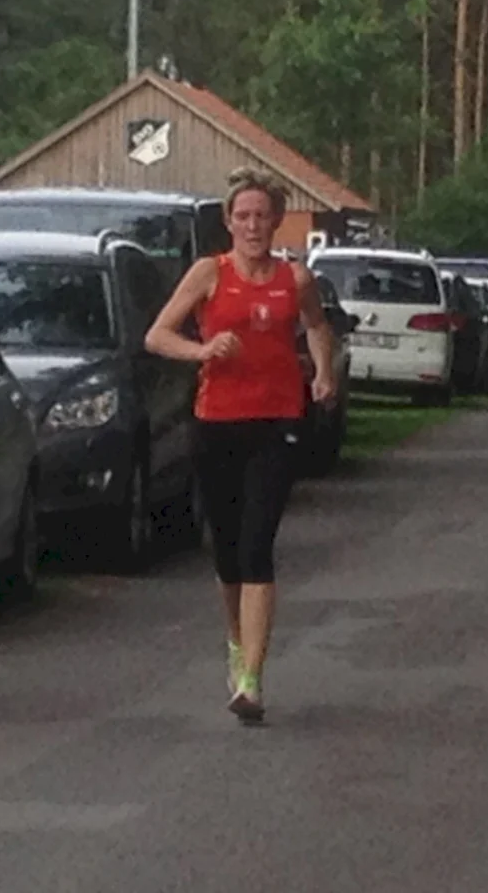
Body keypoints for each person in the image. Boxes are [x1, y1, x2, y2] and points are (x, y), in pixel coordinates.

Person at [145, 168, 336, 723]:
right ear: (229, 223)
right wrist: (201, 352)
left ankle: (251, 678)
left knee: (257, 546)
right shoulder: (210, 273)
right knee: (227, 552)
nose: (253, 226)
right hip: (217, 422)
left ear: (277, 220)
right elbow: (158, 335)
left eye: (262, 216)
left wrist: (323, 373)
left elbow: (318, 326)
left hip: (276, 422)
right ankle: (236, 641)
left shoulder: (294, 279)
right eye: (243, 217)